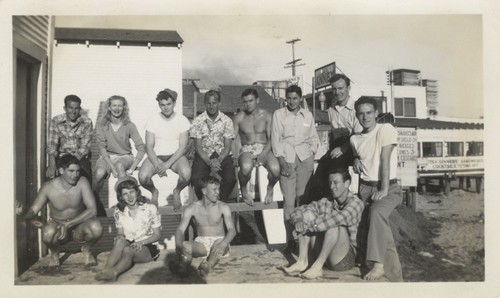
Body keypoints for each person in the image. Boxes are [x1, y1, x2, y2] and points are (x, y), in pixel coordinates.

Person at [16, 154, 103, 268]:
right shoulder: (48, 187)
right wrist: (22, 212)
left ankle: (86, 250)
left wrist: (68, 224)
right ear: (61, 170)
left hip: (79, 226)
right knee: (47, 233)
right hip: (58, 228)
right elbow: (33, 211)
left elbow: (93, 210)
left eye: (77, 171)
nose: (75, 175)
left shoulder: (82, 182)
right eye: (71, 171)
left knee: (97, 228)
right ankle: (55, 253)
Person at [350, 97, 403, 281]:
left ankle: (378, 265)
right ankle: (397, 280)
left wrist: (384, 189)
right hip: (365, 188)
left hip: (389, 186)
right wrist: (355, 159)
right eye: (361, 113)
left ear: (376, 114)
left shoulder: (385, 129)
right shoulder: (354, 139)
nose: (365, 117)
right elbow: (360, 153)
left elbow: (384, 159)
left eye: (369, 113)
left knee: (377, 213)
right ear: (356, 115)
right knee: (380, 232)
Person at [281, 169, 364, 279]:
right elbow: (299, 210)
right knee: (307, 214)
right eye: (330, 183)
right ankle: (302, 261)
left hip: (344, 260)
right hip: (326, 254)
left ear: (347, 183)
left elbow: (337, 219)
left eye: (335, 183)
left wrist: (309, 227)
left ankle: (317, 268)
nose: (331, 186)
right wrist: (298, 220)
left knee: (334, 227)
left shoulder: (356, 203)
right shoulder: (327, 201)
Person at [271, 85, 320, 251]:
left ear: (300, 99)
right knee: (289, 201)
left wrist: (311, 153)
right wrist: (281, 160)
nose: (291, 101)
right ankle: (290, 239)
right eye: (289, 98)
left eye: (295, 98)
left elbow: (314, 137)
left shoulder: (307, 115)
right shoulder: (278, 115)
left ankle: (304, 240)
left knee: (303, 199)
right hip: (287, 159)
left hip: (305, 159)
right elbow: (275, 139)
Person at [95, 176, 161, 282]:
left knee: (128, 250)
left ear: (137, 192)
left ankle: (114, 273)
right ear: (121, 197)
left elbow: (157, 235)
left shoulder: (150, 209)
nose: (130, 196)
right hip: (128, 243)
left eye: (132, 192)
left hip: (146, 247)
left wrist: (141, 243)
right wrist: (119, 237)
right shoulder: (118, 211)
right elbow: (121, 233)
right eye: (125, 194)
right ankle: (106, 270)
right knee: (121, 242)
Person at [311, 74, 363, 201]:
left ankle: (340, 200)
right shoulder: (331, 109)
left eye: (341, 88)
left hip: (352, 148)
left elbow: (358, 135)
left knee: (335, 170)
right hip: (336, 147)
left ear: (348, 88)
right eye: (334, 89)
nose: (337, 92)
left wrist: (343, 149)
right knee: (319, 171)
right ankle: (321, 202)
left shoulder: (356, 109)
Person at [171, 176, 236, 277]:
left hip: (220, 242)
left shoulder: (223, 207)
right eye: (214, 189)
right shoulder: (192, 208)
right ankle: (183, 266)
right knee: (186, 245)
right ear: (204, 191)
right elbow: (180, 230)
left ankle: (207, 265)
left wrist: (223, 243)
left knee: (217, 244)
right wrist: (179, 245)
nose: (218, 192)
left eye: (218, 189)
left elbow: (232, 230)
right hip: (201, 243)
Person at [138, 88, 191, 210]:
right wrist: (157, 165)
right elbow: (149, 146)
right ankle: (154, 192)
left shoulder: (182, 120)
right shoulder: (153, 120)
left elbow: (183, 147)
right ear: (159, 105)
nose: (166, 107)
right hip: (157, 157)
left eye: (169, 104)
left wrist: (167, 165)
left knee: (186, 174)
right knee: (143, 177)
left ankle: (177, 191)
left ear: (174, 104)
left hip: (176, 157)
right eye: (162, 105)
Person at [233, 88, 280, 206]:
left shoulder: (267, 115)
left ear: (257, 100)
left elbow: (271, 139)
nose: (248, 104)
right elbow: (234, 139)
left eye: (251, 100)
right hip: (247, 149)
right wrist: (235, 155)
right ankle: (243, 188)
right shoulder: (239, 117)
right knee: (245, 167)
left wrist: (264, 154)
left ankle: (270, 188)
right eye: (245, 101)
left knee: (275, 170)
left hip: (265, 148)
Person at [189, 90, 237, 202]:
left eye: (214, 103)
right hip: (204, 155)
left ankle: (219, 201)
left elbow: (227, 146)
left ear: (219, 103)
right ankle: (204, 202)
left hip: (222, 155)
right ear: (205, 103)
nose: (211, 106)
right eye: (208, 103)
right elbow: (198, 147)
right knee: (196, 179)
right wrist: (209, 162)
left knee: (231, 179)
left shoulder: (227, 120)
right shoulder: (198, 121)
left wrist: (218, 160)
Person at [94, 95, 145, 196]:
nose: (117, 109)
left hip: (125, 156)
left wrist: (132, 168)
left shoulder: (129, 125)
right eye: (114, 105)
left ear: (124, 108)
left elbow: (141, 148)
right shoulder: (102, 124)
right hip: (107, 157)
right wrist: (112, 168)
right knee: (99, 173)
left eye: (120, 106)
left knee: (120, 166)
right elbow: (102, 147)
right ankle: (94, 199)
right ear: (109, 107)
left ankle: (125, 203)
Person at [46, 94, 93, 183]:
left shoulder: (87, 122)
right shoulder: (56, 121)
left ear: (80, 109)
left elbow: (84, 148)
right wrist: (52, 164)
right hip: (61, 157)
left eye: (77, 108)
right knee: (52, 176)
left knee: (85, 179)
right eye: (70, 108)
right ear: (65, 108)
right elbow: (52, 145)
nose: (74, 111)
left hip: (80, 158)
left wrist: (71, 165)